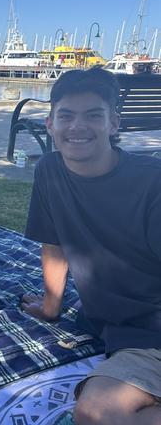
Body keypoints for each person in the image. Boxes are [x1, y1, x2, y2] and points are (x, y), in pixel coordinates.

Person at [20, 67, 161, 424]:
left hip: (152, 332)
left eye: (93, 115)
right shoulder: (49, 171)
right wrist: (51, 307)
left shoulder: (151, 183)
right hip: (119, 326)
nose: (77, 127)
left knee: (96, 411)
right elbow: (54, 244)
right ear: (51, 124)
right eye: (66, 115)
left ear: (114, 123)